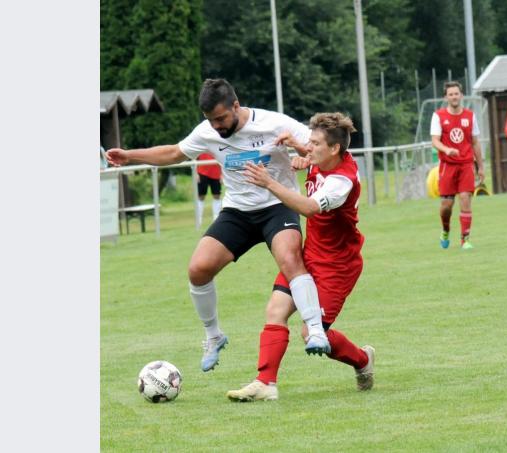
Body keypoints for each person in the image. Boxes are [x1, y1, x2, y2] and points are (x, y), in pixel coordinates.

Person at [104, 78, 331, 372]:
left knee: (290, 258)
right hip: (237, 210)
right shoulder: (207, 131)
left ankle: (315, 329)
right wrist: (129, 155)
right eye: (211, 121)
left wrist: (303, 154)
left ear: (236, 106)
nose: (217, 126)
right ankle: (214, 336)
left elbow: (317, 147)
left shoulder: (273, 123)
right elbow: (175, 152)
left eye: (222, 118)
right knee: (198, 269)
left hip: (277, 204)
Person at [226, 112, 374, 401]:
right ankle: (265, 382)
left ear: (334, 149)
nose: (310, 146)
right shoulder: (323, 157)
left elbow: (308, 208)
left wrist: (269, 182)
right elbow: (309, 154)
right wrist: (297, 147)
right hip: (308, 256)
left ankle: (362, 360)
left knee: (311, 333)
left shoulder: (342, 182)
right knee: (275, 311)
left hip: (338, 266)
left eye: (315, 143)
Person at [430, 81, 484, 250]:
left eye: (456, 93)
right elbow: (435, 141)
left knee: (465, 198)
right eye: (450, 94)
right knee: (446, 206)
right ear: (446, 97)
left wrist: (481, 167)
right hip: (447, 165)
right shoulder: (438, 116)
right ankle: (445, 229)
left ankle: (465, 239)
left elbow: (475, 142)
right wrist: (447, 150)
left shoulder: (470, 116)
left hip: (466, 164)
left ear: (461, 95)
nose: (454, 97)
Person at [195, 152, 223, 224]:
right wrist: (196, 173)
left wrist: (222, 174)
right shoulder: (200, 142)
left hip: (216, 173)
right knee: (201, 196)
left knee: (217, 195)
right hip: (202, 172)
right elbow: (194, 157)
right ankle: (199, 218)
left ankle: (216, 218)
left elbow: (222, 157)